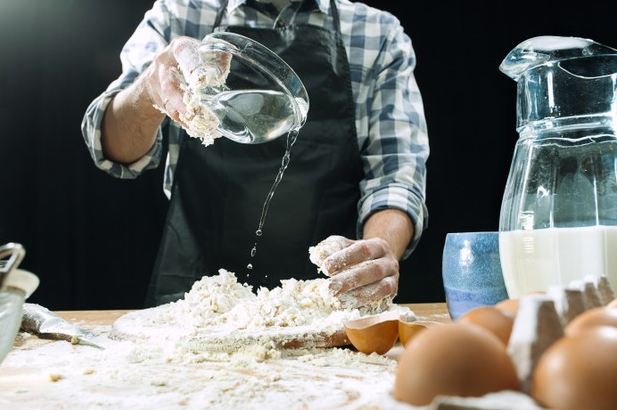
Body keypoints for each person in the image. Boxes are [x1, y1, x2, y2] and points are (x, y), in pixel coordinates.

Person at [81, 0, 429, 307]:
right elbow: (111, 147)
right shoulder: (179, 14)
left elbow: (395, 179)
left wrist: (374, 253)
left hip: (324, 302)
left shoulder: (376, 34)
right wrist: (148, 92)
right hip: (192, 304)